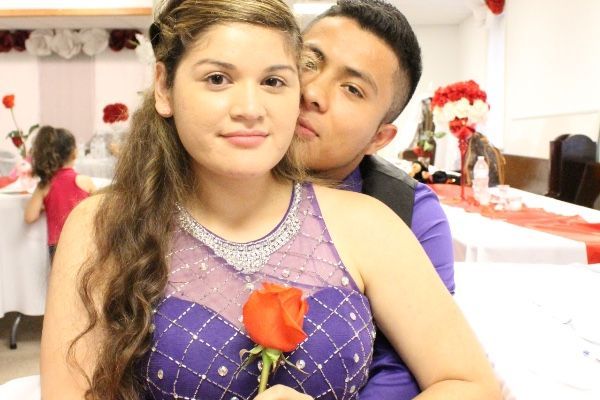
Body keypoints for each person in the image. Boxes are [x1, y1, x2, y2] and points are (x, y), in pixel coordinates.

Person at [40, 1, 501, 399]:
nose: (250, 108)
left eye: (274, 82)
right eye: (217, 78)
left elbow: (469, 382)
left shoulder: (369, 223)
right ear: (164, 88)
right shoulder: (103, 225)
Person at [296, 1, 455, 398]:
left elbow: (408, 367)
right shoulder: (215, 174)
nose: (312, 92)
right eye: (308, 63)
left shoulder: (406, 210)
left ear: (379, 138)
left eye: (352, 89)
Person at [24, 125, 95, 262]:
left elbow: (29, 217)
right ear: (74, 153)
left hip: (57, 245)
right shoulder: (85, 181)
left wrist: (46, 205)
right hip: (84, 241)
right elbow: (99, 209)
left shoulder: (45, 185)